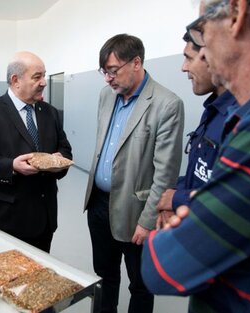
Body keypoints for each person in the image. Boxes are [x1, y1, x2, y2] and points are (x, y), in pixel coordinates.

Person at [141, 0, 250, 312]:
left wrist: (183, 218)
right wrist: (197, 209)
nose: (200, 50)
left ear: (236, 13)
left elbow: (163, 267)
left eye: (200, 29)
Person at [84, 34, 184, 313]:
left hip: (137, 211)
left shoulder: (166, 104)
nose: (108, 78)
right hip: (99, 204)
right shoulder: (107, 95)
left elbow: (165, 173)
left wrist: (147, 220)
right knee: (104, 276)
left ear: (136, 62)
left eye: (113, 71)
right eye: (104, 71)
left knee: (140, 284)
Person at [0, 51, 72, 253]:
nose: (44, 82)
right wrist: (11, 166)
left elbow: (65, 149)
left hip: (44, 216)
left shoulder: (50, 112)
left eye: (44, 75)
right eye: (37, 77)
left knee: (40, 274)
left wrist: (58, 163)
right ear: (15, 80)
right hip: (6, 216)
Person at [155, 32, 237, 228]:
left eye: (189, 58)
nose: (184, 67)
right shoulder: (212, 111)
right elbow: (198, 172)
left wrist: (176, 199)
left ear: (213, 57)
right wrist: (171, 200)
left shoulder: (238, 119)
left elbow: (233, 200)